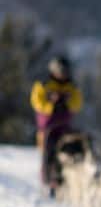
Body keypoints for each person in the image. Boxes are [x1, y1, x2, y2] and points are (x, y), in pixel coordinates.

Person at [30, 55, 83, 190]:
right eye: (60, 71)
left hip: (65, 126)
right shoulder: (44, 84)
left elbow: (77, 103)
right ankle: (48, 179)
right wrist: (51, 106)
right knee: (49, 151)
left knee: (70, 150)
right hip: (47, 126)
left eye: (65, 72)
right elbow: (36, 102)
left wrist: (66, 104)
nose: (63, 75)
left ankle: (66, 179)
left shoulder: (71, 86)